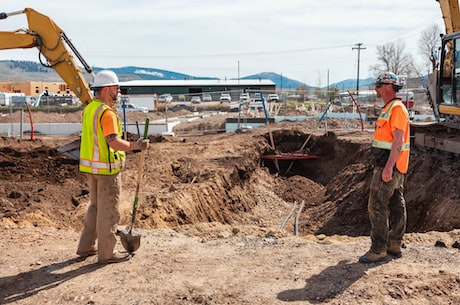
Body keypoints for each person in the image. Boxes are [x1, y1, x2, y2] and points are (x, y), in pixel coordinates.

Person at [76, 70, 149, 264]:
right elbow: (113, 142)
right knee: (108, 211)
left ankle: (86, 247)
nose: (119, 91)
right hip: (107, 171)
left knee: (94, 208)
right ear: (107, 89)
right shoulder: (106, 113)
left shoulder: (90, 108)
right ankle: (107, 253)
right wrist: (136, 146)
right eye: (117, 87)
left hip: (92, 168)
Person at [359, 72, 410, 264]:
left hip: (388, 166)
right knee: (396, 204)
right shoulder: (390, 108)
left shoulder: (396, 109)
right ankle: (394, 244)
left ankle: (379, 249)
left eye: (379, 85)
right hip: (393, 165)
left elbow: (398, 140)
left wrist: (388, 167)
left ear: (388, 86)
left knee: (377, 205)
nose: (376, 89)